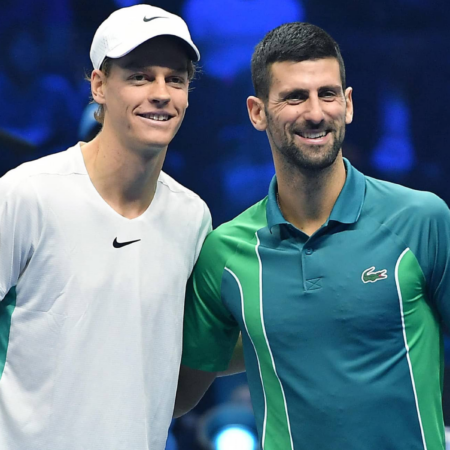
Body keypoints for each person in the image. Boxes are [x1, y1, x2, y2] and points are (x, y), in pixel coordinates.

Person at [175, 22, 450, 450]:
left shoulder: (422, 219)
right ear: (257, 112)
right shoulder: (225, 252)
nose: (316, 112)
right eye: (294, 97)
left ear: (349, 103)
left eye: (328, 93)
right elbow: (174, 393)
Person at [0, 4, 211, 450]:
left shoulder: (192, 218)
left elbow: (169, 375)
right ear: (98, 85)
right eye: (139, 76)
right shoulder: (26, 194)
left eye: (175, 78)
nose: (161, 92)